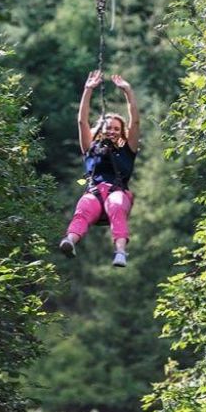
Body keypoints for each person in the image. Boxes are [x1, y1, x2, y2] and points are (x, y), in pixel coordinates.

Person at [59, 70, 140, 267]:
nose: (111, 131)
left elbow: (135, 122)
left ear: (122, 132)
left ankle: (120, 252)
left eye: (116, 129)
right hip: (94, 192)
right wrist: (88, 90)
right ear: (101, 130)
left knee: (116, 203)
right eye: (108, 128)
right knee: (84, 207)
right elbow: (82, 121)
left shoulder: (127, 148)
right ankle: (70, 240)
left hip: (116, 192)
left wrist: (128, 92)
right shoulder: (90, 148)